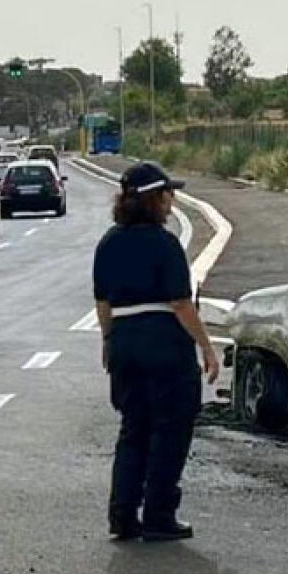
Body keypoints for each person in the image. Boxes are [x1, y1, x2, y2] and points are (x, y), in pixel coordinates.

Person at [93, 161, 220, 542]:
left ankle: (122, 515)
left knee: (133, 429)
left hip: (125, 340)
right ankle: (159, 515)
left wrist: (108, 341)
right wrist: (207, 347)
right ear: (154, 199)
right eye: (168, 193)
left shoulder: (109, 242)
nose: (172, 199)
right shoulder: (166, 245)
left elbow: (102, 303)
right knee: (170, 429)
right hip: (164, 343)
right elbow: (181, 304)